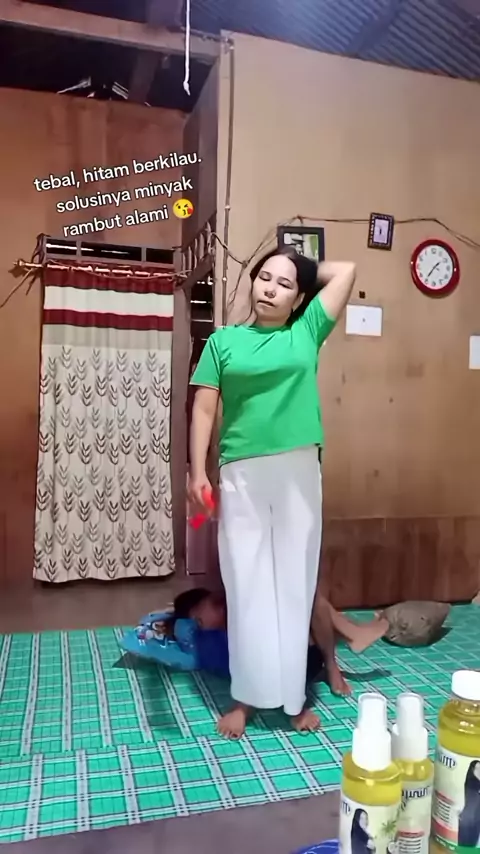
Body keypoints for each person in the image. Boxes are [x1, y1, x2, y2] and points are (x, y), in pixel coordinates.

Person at [189, 246, 356, 738]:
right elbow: (204, 409)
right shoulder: (224, 342)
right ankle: (245, 697)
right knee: (246, 585)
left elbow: (345, 270)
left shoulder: (307, 330)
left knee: (293, 585)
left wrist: (297, 264)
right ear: (252, 282)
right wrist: (197, 472)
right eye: (264, 277)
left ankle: (292, 699)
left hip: (298, 471)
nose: (270, 288)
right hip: (241, 471)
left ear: (299, 297)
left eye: (285, 284)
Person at [172, 586, 389, 701]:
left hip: (301, 658)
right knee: (309, 594)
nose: (202, 625)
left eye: (200, 617)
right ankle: (348, 641)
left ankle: (351, 635)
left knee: (305, 592)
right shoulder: (216, 635)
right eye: (198, 622)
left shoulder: (232, 610)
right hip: (292, 671)